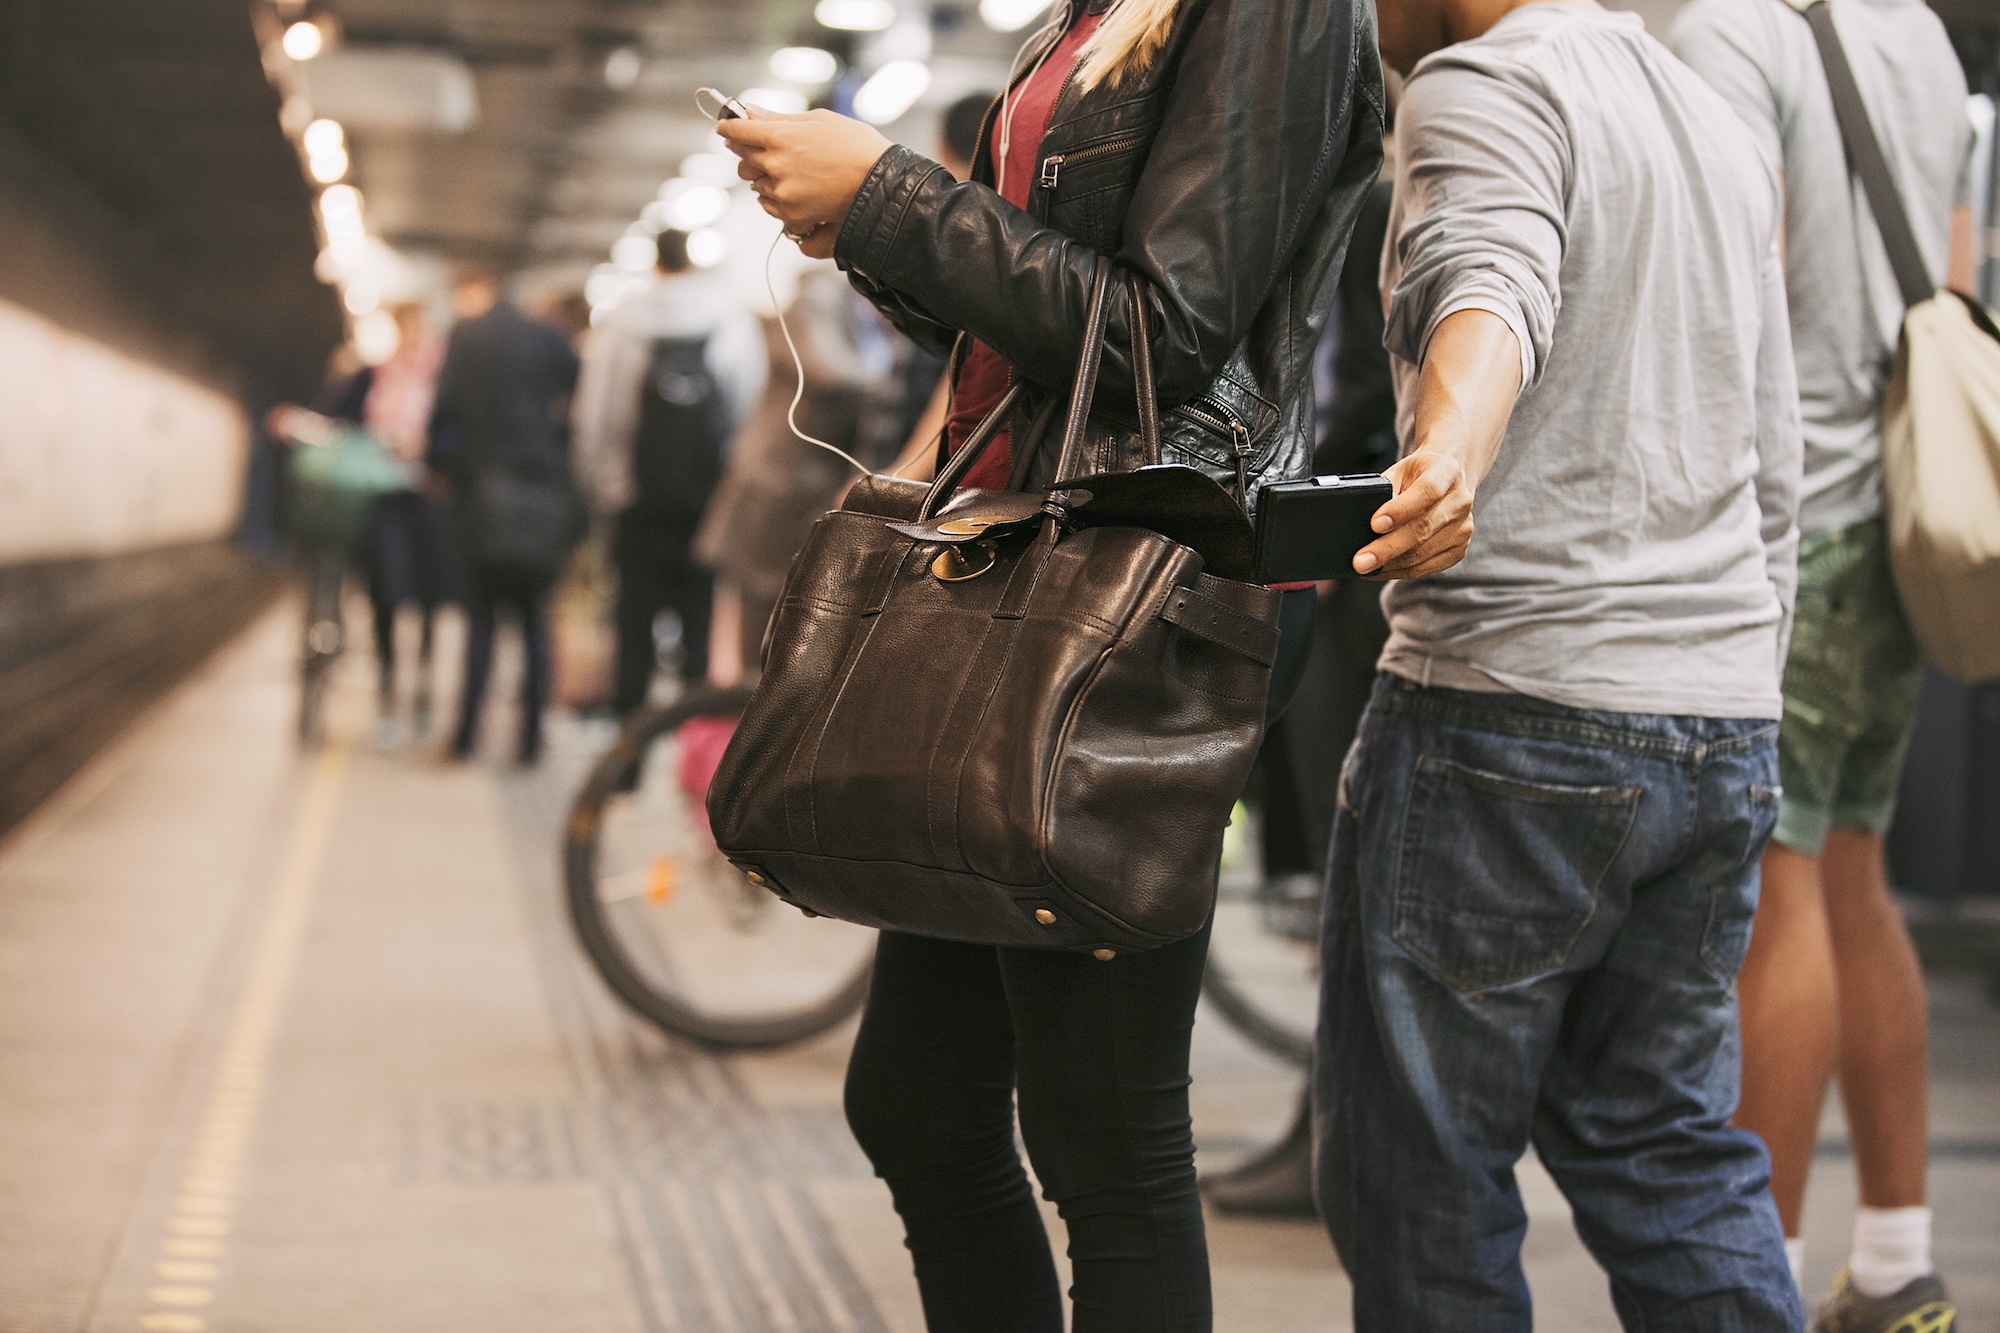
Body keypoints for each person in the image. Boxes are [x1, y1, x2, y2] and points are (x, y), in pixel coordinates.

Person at [717, 0, 1385, 1325]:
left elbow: (1161, 340)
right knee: (916, 1103)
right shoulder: (1090, 14)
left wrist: (893, 201)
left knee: (1107, 1144)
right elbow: (1039, 331)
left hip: (1138, 606)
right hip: (1028, 577)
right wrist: (874, 231)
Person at [1309, 0, 1807, 1325]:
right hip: (1718, 715)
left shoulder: (1478, 89)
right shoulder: (1718, 117)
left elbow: (1491, 275)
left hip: (1508, 715)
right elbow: (1774, 447)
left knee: (1424, 1177)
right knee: (1671, 1152)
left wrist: (1449, 458)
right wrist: (1746, 684)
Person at [1671, 4, 1976, 1327]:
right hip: (1901, 512)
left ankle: (1764, 1284)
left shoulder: (1732, 31)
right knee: (1852, 875)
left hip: (1793, 526)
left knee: (1773, 900)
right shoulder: (1912, 26)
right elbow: (1953, 255)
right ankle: (1899, 1264)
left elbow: (1729, 284)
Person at [1202, 171, 1398, 1219]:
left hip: (1345, 557)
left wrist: (1304, 500)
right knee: (1332, 857)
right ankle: (1329, 1126)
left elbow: (1359, 376)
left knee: (1341, 858)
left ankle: (1337, 1134)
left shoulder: (1368, 193)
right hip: (1346, 550)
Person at [572, 229, 762, 711]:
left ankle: (628, 759)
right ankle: (691, 756)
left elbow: (595, 416)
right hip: (706, 501)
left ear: (655, 262)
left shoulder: (621, 322)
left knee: (633, 625)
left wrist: (601, 488)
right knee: (698, 625)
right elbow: (750, 409)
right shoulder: (729, 320)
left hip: (636, 500)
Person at [693, 262, 875, 679]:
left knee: (784, 614)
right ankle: (749, 722)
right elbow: (827, 373)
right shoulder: (811, 304)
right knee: (763, 617)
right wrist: (889, 380)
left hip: (797, 486)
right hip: (776, 487)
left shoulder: (842, 306)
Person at [427, 272, 581, 765]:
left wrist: (439, 469)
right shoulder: (550, 341)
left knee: (481, 623)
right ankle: (531, 740)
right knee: (534, 621)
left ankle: (467, 736)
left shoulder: (466, 337)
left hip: (481, 497)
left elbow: (443, 410)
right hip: (539, 496)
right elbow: (577, 402)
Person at [358, 302, 450, 746]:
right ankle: (388, 696)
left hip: (428, 499)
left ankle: (422, 696)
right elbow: (344, 419)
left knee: (430, 600)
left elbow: (454, 429)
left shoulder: (444, 377)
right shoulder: (375, 375)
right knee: (386, 599)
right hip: (386, 498)